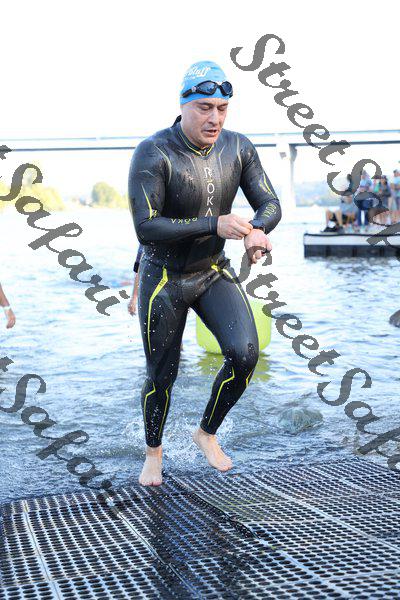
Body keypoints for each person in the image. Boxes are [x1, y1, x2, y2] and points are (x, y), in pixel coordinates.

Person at [128, 60, 281, 486]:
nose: (215, 118)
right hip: (164, 277)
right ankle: (154, 453)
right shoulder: (153, 152)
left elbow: (270, 203)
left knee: (245, 354)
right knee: (162, 373)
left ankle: (206, 433)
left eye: (222, 109)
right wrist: (215, 224)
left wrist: (257, 230)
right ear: (183, 105)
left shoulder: (239, 147)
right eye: (204, 108)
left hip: (212, 271)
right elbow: (146, 227)